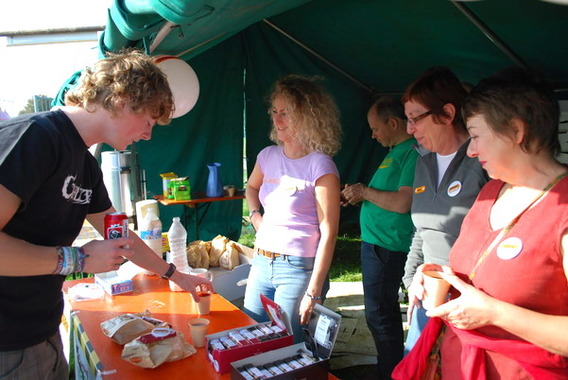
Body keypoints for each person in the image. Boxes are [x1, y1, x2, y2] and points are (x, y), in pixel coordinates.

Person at [0, 50, 211, 380]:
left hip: (42, 331)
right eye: (148, 121)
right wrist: (77, 260)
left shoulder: (83, 163)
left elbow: (120, 235)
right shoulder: (35, 138)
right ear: (122, 99)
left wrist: (177, 275)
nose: (148, 134)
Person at [423, 68, 568, 378]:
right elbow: (478, 270)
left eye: (475, 135)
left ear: (516, 131)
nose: (471, 150)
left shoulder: (563, 209)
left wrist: (493, 313)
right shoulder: (491, 191)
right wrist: (439, 278)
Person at [243, 74, 341, 342]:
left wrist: (314, 291)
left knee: (288, 343)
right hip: (261, 261)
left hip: (297, 268)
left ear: (309, 116)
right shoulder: (267, 156)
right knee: (252, 334)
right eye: (274, 112)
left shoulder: (320, 165)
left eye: (286, 113)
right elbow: (250, 188)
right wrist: (255, 217)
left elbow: (329, 232)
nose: (277, 119)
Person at [401, 66, 489, 355]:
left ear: (448, 114)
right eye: (407, 119)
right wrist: (412, 278)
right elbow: (422, 230)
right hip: (428, 295)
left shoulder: (484, 161)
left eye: (415, 119)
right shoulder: (423, 162)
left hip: (472, 303)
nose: (409, 129)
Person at [341, 96, 417, 379]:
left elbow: (402, 203)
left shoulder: (411, 152)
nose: (373, 134)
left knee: (380, 315)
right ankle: (391, 366)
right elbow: (386, 197)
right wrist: (359, 196)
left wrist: (364, 192)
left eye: (375, 128)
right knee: (379, 313)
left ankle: (392, 372)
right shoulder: (395, 151)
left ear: (393, 123)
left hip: (388, 246)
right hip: (377, 243)